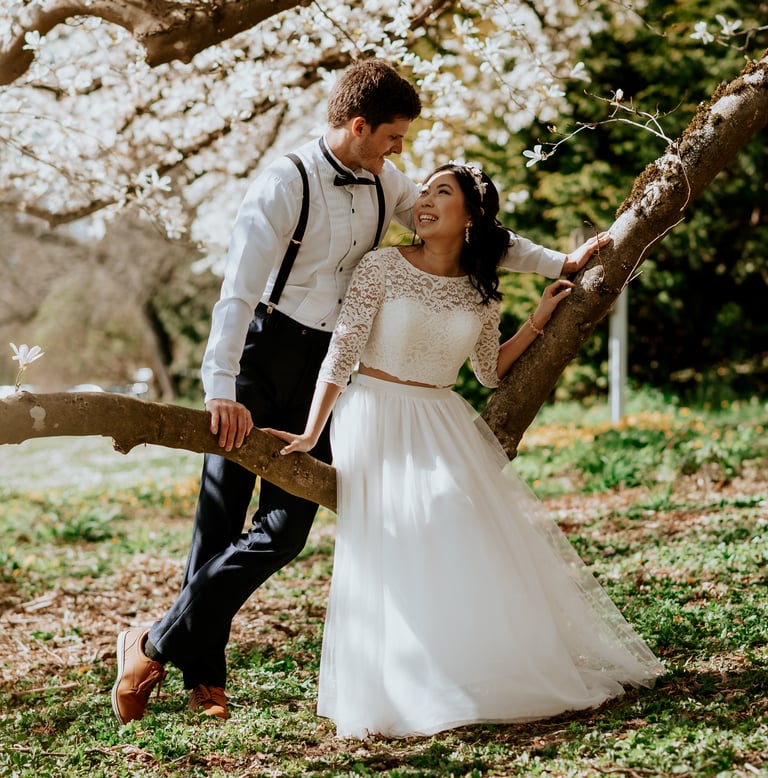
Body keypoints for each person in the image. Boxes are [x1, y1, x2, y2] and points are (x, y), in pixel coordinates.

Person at [111, 59, 610, 726]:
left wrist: (560, 262)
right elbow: (236, 291)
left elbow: (472, 234)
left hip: (328, 366)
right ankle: (204, 674)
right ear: (358, 125)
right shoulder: (284, 184)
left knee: (284, 533)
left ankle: (150, 643)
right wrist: (221, 386)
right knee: (220, 518)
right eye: (394, 137)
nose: (400, 151)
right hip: (262, 354)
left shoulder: (385, 181)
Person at [266, 162, 663, 739]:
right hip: (374, 411)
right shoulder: (380, 266)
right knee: (406, 527)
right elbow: (342, 350)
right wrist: (310, 431)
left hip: (442, 414)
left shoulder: (481, 289)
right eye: (423, 191)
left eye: (440, 193)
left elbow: (488, 372)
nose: (422, 201)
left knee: (455, 515)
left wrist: (536, 320)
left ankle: (473, 667)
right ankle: (407, 682)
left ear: (471, 216)